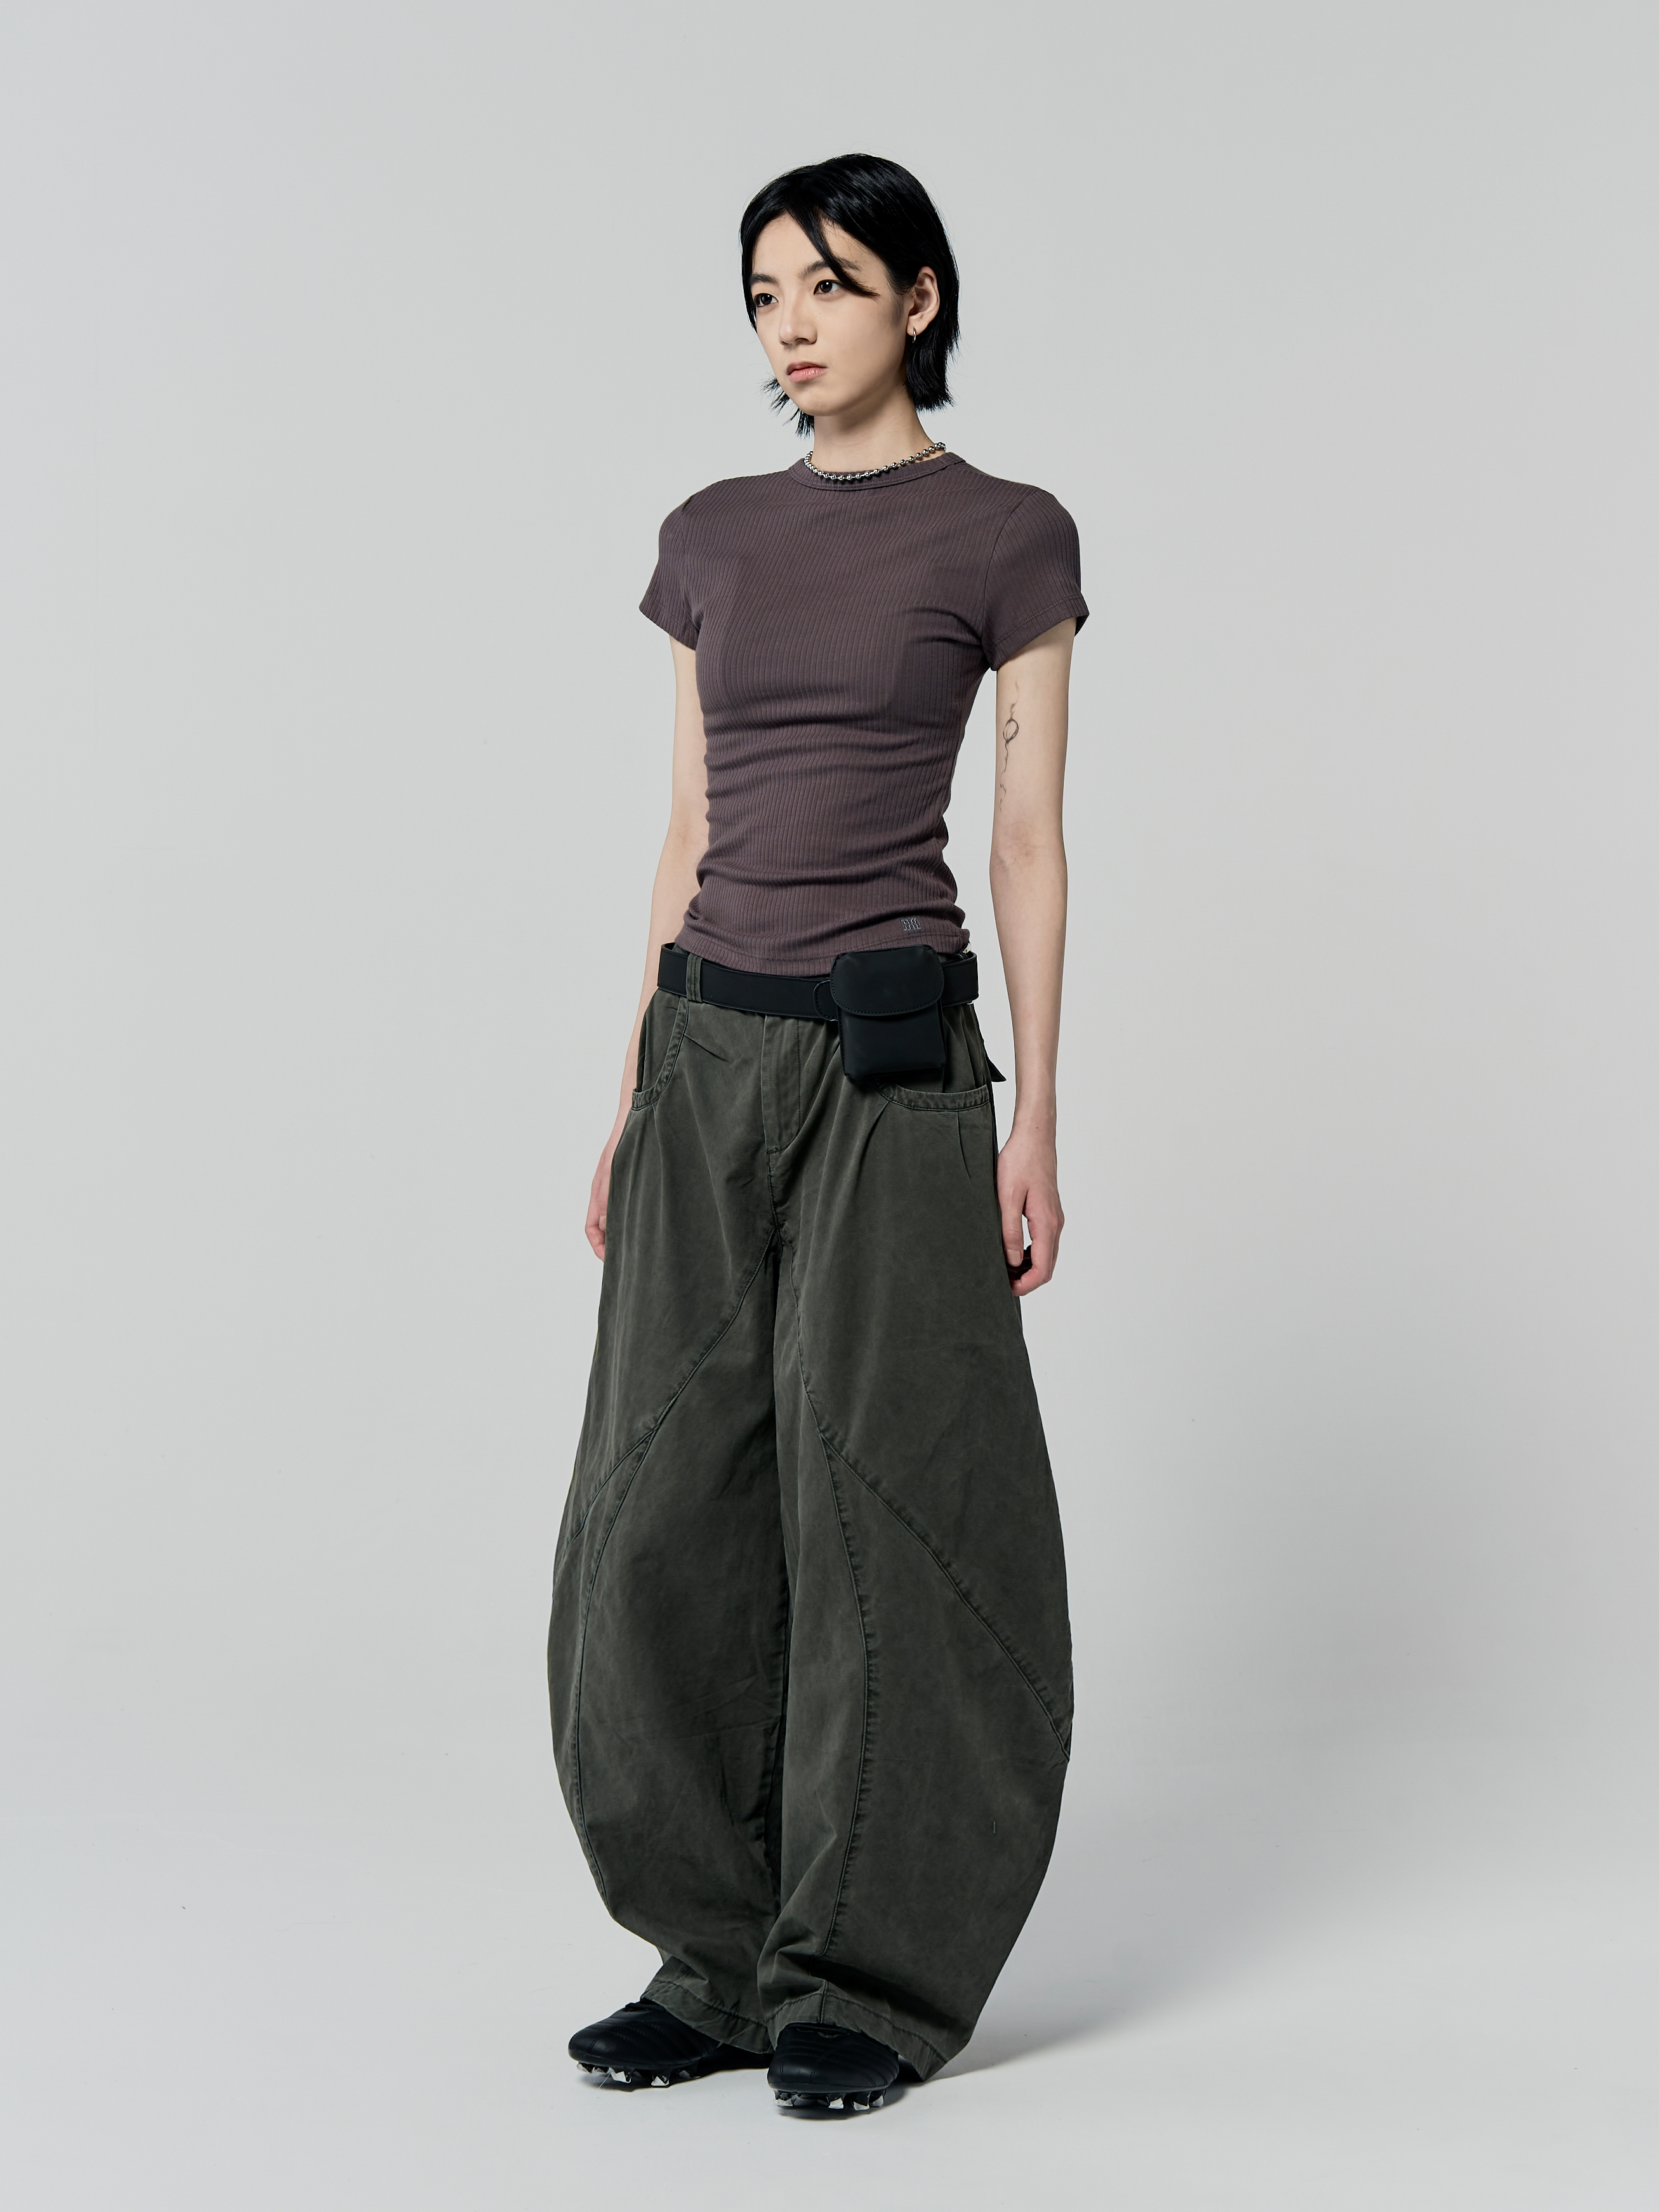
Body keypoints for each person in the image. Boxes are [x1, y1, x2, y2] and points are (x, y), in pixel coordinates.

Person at [548, 152, 1085, 2116]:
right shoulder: (710, 536)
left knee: (890, 1503)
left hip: (894, 1067)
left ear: (918, 300)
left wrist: (1038, 1119)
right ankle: (714, 1956)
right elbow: (689, 830)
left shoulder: (1009, 536)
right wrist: (631, 1092)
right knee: (663, 1502)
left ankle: (868, 1970)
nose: (792, 321)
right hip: (709, 1047)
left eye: (833, 283)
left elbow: (1025, 839)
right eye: (766, 290)